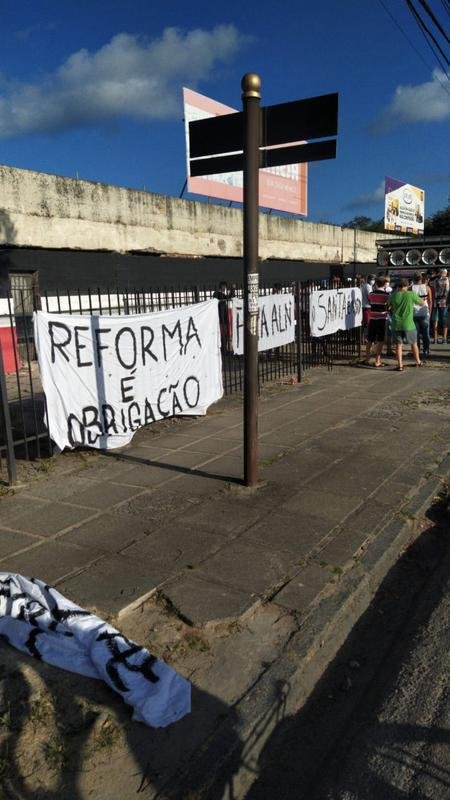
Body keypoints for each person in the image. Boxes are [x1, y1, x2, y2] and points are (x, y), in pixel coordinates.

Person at [387, 278, 425, 370]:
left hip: (396, 324)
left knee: (398, 345)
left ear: (398, 287)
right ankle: (418, 362)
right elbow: (422, 303)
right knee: (414, 344)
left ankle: (400, 365)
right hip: (408, 324)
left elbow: (388, 306)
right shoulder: (411, 294)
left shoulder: (393, 295)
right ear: (407, 286)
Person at [365, 277, 389, 368]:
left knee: (370, 339)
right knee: (380, 340)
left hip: (372, 318)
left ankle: (367, 359)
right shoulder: (386, 295)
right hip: (382, 318)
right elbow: (388, 305)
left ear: (376, 284)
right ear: (384, 284)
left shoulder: (371, 294)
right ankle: (377, 360)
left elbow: (370, 301)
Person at [411, 272, 431, 357]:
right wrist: (429, 311)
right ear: (421, 278)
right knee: (426, 333)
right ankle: (426, 350)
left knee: (416, 333)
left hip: (414, 313)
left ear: (413, 279)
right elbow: (430, 301)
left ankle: (417, 350)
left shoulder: (410, 288)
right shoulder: (427, 287)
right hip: (424, 312)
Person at [431, 269, 449, 344]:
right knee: (444, 320)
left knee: (436, 320)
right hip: (444, 302)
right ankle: (444, 339)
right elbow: (448, 290)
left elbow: (431, 285)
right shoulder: (447, 280)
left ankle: (435, 339)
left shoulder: (435, 280)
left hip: (437, 302)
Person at [213, 281, 230, 351]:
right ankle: (222, 349)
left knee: (225, 334)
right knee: (221, 334)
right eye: (224, 286)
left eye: (225, 287)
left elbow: (228, 297)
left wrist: (232, 290)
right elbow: (215, 300)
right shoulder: (216, 293)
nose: (225, 288)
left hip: (224, 318)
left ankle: (224, 348)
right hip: (220, 317)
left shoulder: (223, 295)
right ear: (221, 286)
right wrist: (222, 299)